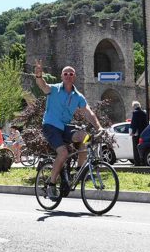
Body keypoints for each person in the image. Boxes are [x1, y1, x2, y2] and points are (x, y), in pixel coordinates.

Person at [33, 60, 103, 199]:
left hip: (64, 127)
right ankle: (52, 184)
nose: (68, 76)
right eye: (65, 73)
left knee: (85, 137)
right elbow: (43, 86)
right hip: (51, 126)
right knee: (63, 153)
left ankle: (79, 171)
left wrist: (99, 127)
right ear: (61, 76)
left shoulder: (78, 96)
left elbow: (88, 112)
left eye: (71, 74)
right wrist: (39, 75)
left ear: (74, 76)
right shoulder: (54, 89)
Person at [129, 100, 149, 166]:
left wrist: (133, 132)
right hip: (144, 133)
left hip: (137, 134)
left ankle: (137, 163)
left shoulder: (135, 113)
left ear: (134, 106)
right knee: (142, 148)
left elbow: (134, 124)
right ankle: (142, 162)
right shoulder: (144, 113)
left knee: (136, 149)